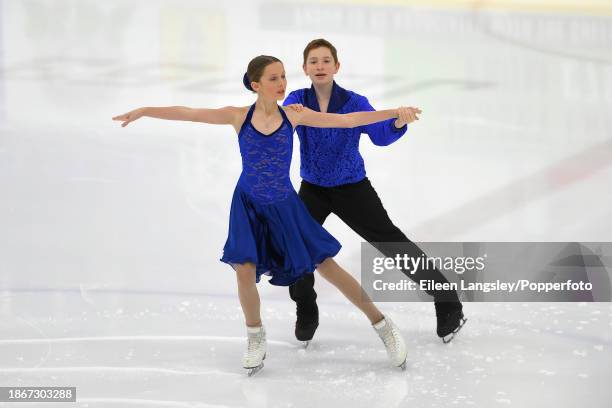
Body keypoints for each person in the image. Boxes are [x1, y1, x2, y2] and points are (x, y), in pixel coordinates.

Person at [112, 55, 416, 375]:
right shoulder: (238, 116)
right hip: (248, 204)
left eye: (283, 76)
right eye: (273, 78)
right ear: (256, 85)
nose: (282, 83)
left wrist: (395, 113)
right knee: (243, 269)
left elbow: (348, 120)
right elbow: (189, 114)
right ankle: (255, 336)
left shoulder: (295, 116)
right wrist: (145, 110)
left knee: (326, 266)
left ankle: (384, 326)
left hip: (285, 205)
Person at [283, 38, 466, 344]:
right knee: (296, 247)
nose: (320, 66)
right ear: (304, 68)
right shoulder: (297, 100)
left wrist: (396, 121)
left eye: (326, 60)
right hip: (313, 188)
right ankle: (306, 306)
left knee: (391, 242)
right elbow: (279, 130)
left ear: (337, 66)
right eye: (313, 61)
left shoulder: (355, 102)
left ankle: (447, 300)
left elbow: (380, 136)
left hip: (352, 188)